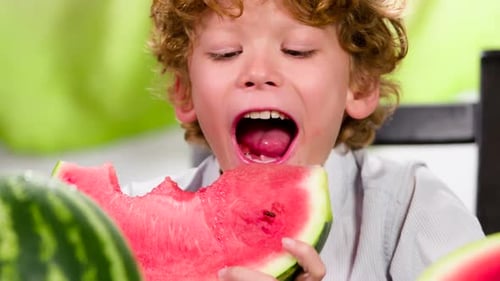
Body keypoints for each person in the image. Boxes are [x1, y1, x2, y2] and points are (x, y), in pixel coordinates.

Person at [124, 0, 485, 280]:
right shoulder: (129, 227)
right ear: (186, 92)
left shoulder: (411, 208)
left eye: (297, 50)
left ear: (359, 85)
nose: (258, 73)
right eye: (226, 53)